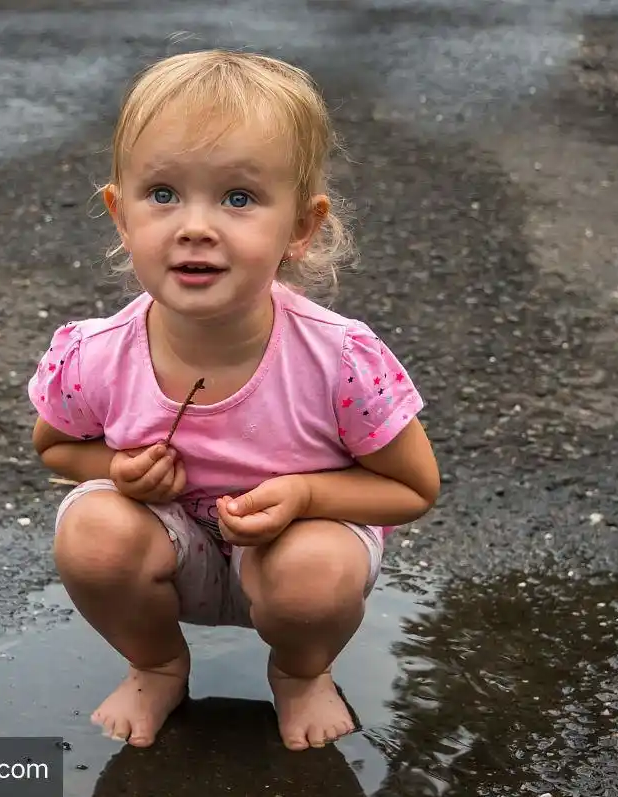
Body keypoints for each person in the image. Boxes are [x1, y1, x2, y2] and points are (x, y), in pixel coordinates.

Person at [27, 49, 440, 752]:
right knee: (93, 531)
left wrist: (307, 497)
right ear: (119, 214)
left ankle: (302, 672)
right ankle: (156, 663)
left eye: (239, 198)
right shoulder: (99, 351)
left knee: (313, 572)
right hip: (168, 544)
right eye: (162, 193)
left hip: (290, 555)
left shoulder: (337, 357)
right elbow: (55, 446)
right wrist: (119, 468)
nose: (195, 226)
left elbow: (413, 487)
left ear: (302, 227)